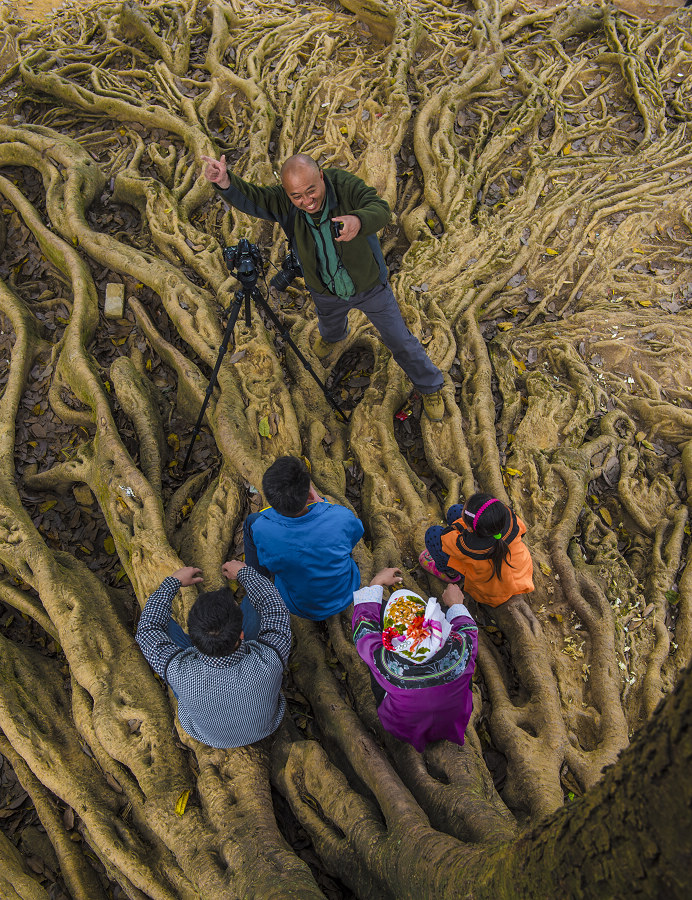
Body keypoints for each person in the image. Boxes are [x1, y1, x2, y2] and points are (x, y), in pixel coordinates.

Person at [201, 151, 446, 421]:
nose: (306, 201)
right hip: (324, 288)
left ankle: (429, 385)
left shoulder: (343, 186)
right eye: (297, 196)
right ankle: (334, 337)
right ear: (287, 192)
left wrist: (359, 221)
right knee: (329, 324)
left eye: (311, 191)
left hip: (368, 286)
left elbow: (380, 209)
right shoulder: (287, 201)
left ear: (321, 177)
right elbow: (255, 199)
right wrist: (225, 182)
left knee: (399, 339)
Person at [135, 561, 291, 748]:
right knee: (255, 602)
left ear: (193, 636)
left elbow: (147, 629)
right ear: (241, 634)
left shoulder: (178, 672)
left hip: (211, 737)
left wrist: (173, 581)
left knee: (161, 625)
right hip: (265, 728)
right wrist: (244, 573)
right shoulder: (271, 657)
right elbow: (273, 607)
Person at [352, 567, 478, 751]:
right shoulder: (462, 647)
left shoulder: (385, 661)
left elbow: (364, 627)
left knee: (376, 671)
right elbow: (468, 627)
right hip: (453, 719)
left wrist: (377, 582)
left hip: (402, 727)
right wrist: (455, 604)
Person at [243, 455, 364, 620]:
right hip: (346, 593)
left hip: (300, 606)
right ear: (310, 494)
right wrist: (324, 503)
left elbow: (269, 562)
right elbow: (356, 533)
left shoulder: (261, 529)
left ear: (271, 501)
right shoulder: (340, 516)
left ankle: (258, 581)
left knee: (250, 521)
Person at [419, 493, 534, 607]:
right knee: (455, 510)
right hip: (520, 577)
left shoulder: (466, 546)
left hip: (490, 593)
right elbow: (522, 532)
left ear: (470, 528)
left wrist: (460, 526)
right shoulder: (511, 520)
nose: (463, 510)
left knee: (433, 534)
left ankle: (450, 573)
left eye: (465, 509)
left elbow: (445, 538)